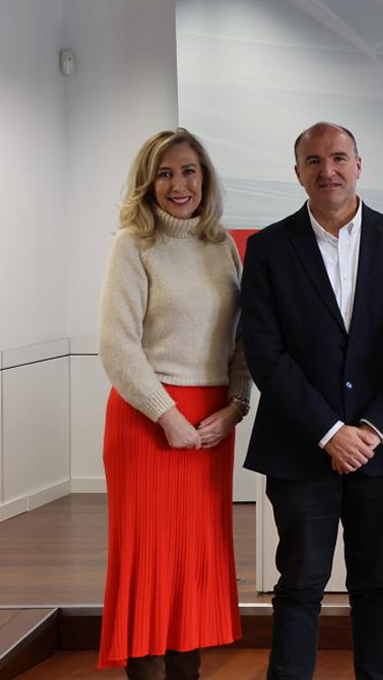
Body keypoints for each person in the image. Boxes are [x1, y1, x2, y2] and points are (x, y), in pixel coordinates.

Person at [240, 122, 383, 680]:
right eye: (314, 161)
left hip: (380, 450)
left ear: (359, 165)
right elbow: (265, 354)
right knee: (298, 585)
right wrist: (329, 431)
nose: (328, 171)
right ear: (298, 173)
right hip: (300, 449)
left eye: (339, 158)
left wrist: (369, 428)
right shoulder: (269, 248)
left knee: (377, 584)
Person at [97, 128, 249, 679]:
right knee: (149, 566)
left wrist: (235, 406)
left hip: (211, 424)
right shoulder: (132, 243)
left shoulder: (221, 245)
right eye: (165, 173)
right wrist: (166, 416)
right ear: (148, 182)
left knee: (193, 566)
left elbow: (241, 341)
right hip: (148, 421)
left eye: (188, 171)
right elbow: (116, 345)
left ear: (204, 177)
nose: (178, 184)